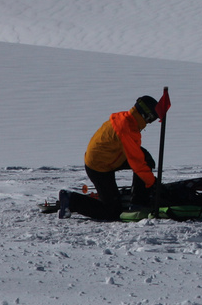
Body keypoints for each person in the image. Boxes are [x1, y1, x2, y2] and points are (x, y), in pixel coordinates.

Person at [59, 90, 168, 221]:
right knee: (112, 212)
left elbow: (138, 158)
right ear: (146, 115)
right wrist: (152, 183)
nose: (151, 122)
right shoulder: (126, 129)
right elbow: (136, 162)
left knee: (145, 158)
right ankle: (71, 199)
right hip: (99, 168)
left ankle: (138, 201)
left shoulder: (128, 119)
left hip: (113, 157)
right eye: (152, 119)